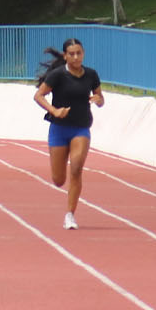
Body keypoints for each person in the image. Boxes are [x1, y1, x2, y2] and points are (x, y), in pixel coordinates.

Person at [33, 38, 104, 230]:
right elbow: (38, 96)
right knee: (58, 180)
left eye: (79, 53)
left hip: (81, 128)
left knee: (77, 168)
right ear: (65, 56)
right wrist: (54, 111)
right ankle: (61, 164)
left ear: (83, 53)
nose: (76, 57)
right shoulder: (57, 75)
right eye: (71, 54)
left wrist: (98, 99)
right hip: (59, 129)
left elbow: (100, 99)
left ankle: (70, 215)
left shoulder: (91, 75)